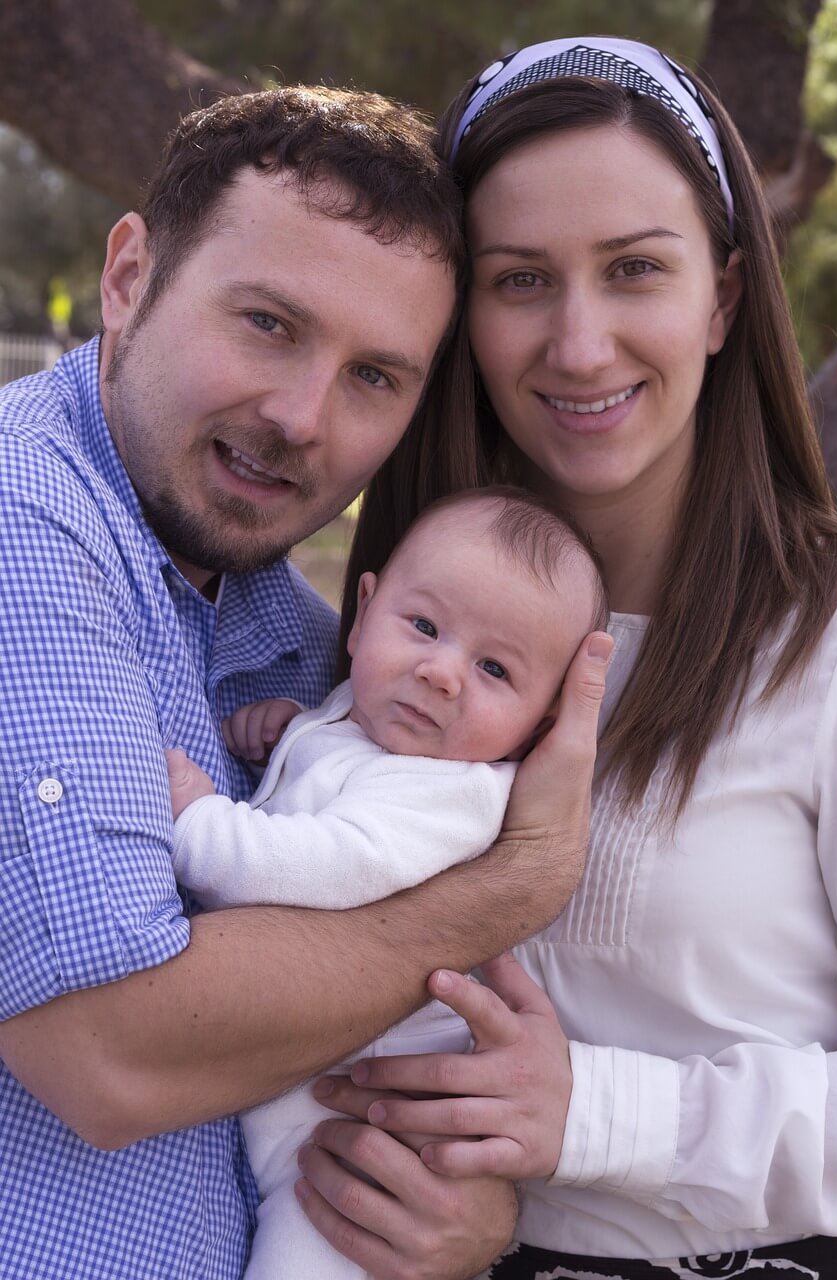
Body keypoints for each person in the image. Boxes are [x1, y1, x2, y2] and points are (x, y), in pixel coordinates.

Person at [0, 84, 613, 1279]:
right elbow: (108, 1053)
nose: (300, 417)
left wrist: (461, 1210)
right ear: (128, 277)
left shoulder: (307, 635)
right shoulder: (27, 520)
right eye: (268, 323)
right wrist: (515, 879)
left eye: (374, 376)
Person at [317, 36, 837, 1278]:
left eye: (634, 270)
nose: (578, 343)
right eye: (519, 280)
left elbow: (561, 1110)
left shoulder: (831, 638)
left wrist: (594, 1116)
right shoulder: (390, 637)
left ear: (722, 298)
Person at [165, 485, 607, 1280]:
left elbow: (326, 868)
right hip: (295, 1098)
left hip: (370, 1142)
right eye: (424, 627)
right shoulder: (360, 719)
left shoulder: (459, 794)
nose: (441, 672)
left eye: (494, 668)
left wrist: (202, 823)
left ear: (540, 725)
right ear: (363, 612)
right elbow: (336, 768)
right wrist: (290, 732)